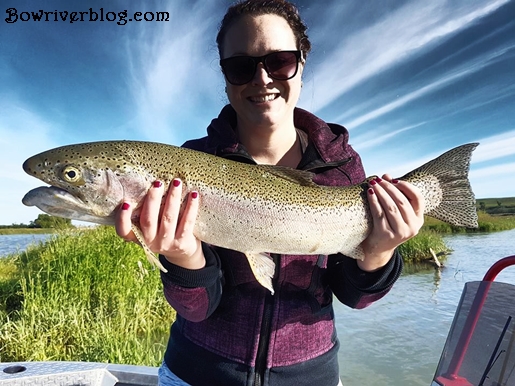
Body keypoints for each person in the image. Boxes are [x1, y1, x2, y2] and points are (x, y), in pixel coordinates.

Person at [115, 1, 424, 385]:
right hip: (195, 373)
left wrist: (379, 251)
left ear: (302, 65)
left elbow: (356, 297)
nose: (261, 79)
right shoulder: (188, 165)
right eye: (241, 67)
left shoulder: (343, 167)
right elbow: (196, 309)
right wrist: (183, 256)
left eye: (279, 61)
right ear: (225, 77)